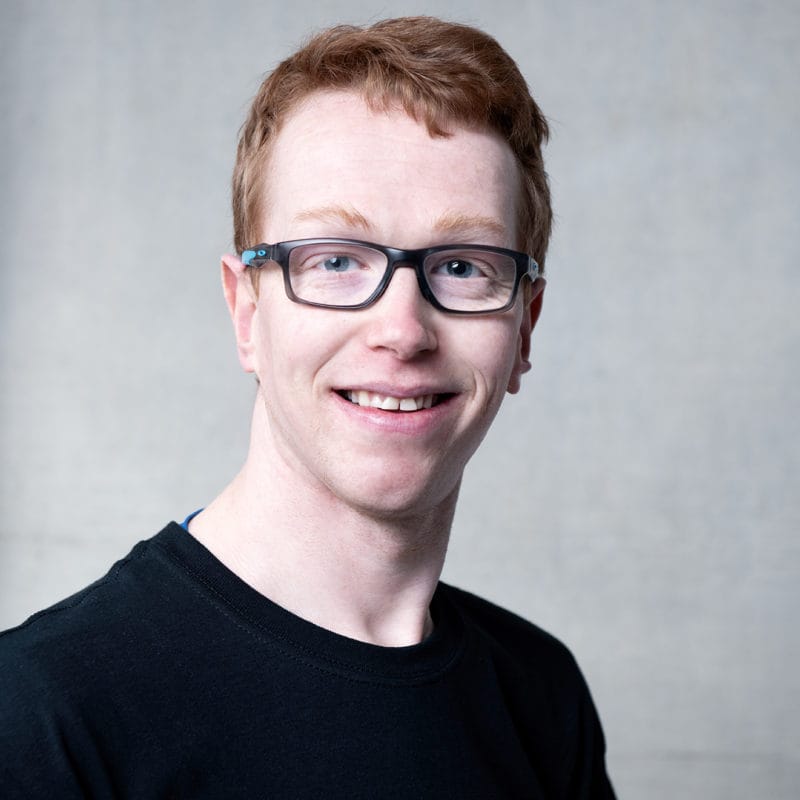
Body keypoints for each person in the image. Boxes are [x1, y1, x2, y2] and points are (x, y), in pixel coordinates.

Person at [0, 16, 616, 798]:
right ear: (245, 312)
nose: (401, 330)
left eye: (463, 265)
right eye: (334, 260)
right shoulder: (42, 716)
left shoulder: (542, 698)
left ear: (524, 327)